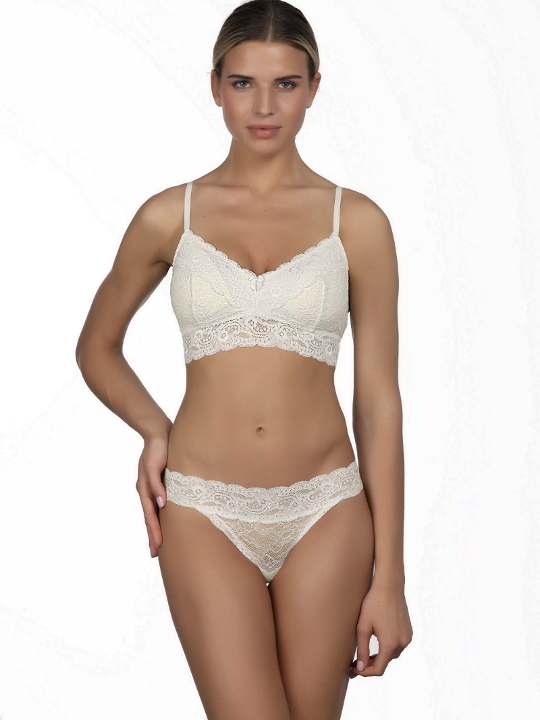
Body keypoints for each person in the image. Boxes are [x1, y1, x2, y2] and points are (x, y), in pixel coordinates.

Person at [75, 0, 413, 717]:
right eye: (243, 84)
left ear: (314, 87)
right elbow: (96, 346)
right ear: (215, 87)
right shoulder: (168, 216)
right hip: (203, 510)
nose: (264, 107)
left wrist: (391, 578)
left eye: (285, 84)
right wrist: (154, 428)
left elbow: (379, 401)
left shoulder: (358, 223)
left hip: (327, 509)